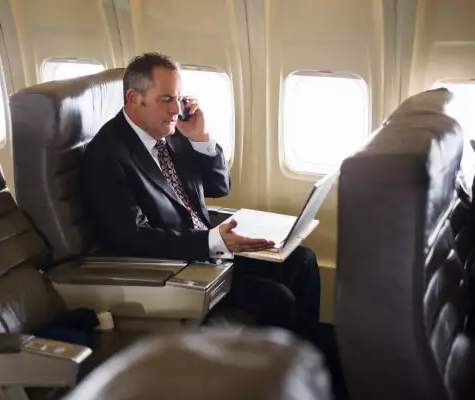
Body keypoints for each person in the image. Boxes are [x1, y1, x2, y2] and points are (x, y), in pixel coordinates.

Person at [81, 51, 320, 338]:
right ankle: (276, 376)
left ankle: (310, 361)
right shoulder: (107, 154)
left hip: (210, 247)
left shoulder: (171, 132)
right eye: (166, 99)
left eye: (179, 99)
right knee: (277, 299)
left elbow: (220, 187)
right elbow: (130, 236)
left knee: (303, 260)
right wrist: (212, 241)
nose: (175, 109)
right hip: (179, 265)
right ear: (134, 98)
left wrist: (201, 138)